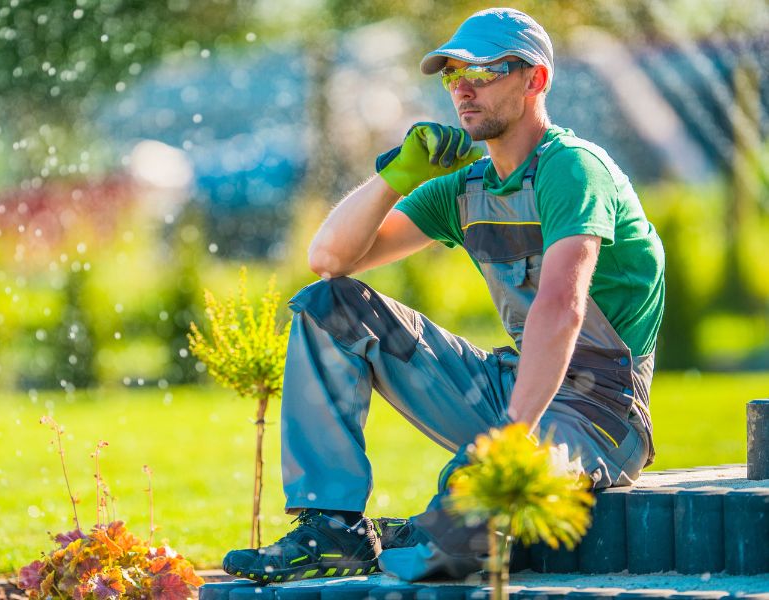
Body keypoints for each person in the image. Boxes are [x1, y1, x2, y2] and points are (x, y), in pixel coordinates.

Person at [223, 7, 665, 583]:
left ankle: (411, 533)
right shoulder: (467, 186)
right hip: (515, 385)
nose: (462, 88)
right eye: (453, 73)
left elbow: (562, 306)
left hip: (600, 414)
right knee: (329, 307)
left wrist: (512, 436)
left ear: (535, 80)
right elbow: (328, 259)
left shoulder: (573, 170)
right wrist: (396, 177)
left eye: (482, 72)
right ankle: (332, 528)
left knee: (445, 542)